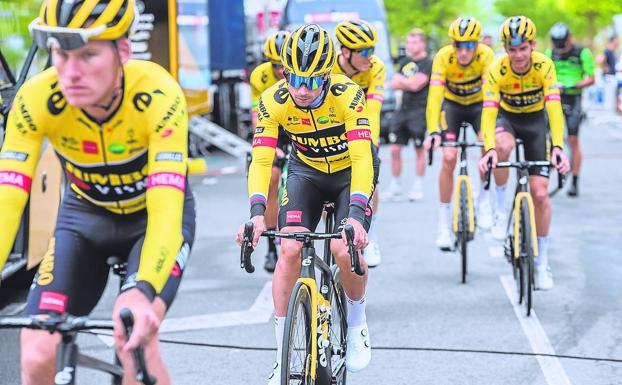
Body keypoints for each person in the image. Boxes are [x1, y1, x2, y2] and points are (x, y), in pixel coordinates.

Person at [0, 1, 196, 384]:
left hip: (150, 221)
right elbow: (8, 198)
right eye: (60, 53)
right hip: (83, 218)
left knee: (136, 341)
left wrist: (143, 291)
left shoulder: (158, 93)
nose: (70, 72)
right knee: (39, 348)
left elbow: (166, 208)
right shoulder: (37, 98)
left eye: (88, 54)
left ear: (123, 51)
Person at [236, 24, 376, 384]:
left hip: (348, 174)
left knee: (342, 249)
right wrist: (255, 214)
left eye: (312, 81)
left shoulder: (349, 95)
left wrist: (358, 216)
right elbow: (262, 160)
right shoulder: (273, 100)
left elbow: (363, 160)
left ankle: (358, 323)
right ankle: (282, 352)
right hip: (307, 173)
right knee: (288, 249)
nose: (301, 89)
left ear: (327, 75)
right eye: (294, 77)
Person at [479, 16, 570, 290]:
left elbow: (554, 108)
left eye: (523, 48)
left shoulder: (545, 66)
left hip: (534, 124)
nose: (517, 55)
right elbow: (489, 111)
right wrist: (491, 149)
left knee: (540, 194)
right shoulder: (497, 69)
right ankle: (499, 207)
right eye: (511, 49)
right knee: (503, 147)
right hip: (506, 120)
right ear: (506, 48)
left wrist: (557, 147)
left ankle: (542, 264)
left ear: (532, 45)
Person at [424, 17, 495, 250]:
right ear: (452, 44)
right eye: (458, 46)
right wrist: (433, 129)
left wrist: (488, 134)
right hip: (452, 107)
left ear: (477, 44)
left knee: (487, 142)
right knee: (448, 157)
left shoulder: (486, 56)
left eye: (469, 46)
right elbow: (434, 97)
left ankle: (483, 201)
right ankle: (443, 226)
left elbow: (490, 97)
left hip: (478, 106)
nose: (464, 52)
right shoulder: (443, 57)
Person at [332, 19, 385, 266]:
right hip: (332, 128)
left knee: (370, 179)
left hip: (361, 126)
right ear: (345, 52)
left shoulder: (376, 69)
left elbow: (373, 109)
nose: (370, 57)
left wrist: (370, 141)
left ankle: (370, 238)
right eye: (364, 52)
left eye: (372, 50)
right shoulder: (329, 68)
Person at [249, 31, 290, 272]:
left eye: (283, 65)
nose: (279, 71)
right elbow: (257, 116)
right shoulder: (259, 76)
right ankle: (273, 247)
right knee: (271, 179)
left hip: (299, 125)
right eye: (275, 65)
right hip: (273, 127)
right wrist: (267, 144)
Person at [546, 22, 595, 197]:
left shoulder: (582, 53)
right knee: (547, 136)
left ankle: (574, 180)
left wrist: (571, 85)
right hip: (554, 97)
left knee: (573, 140)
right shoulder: (550, 54)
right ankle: (547, 168)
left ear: (569, 39)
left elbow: (591, 78)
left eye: (563, 44)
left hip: (573, 97)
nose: (560, 49)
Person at [383, 28, 432, 201]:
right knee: (395, 149)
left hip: (419, 111)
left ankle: (418, 186)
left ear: (422, 43)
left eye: (414, 42)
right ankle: (395, 185)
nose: (410, 45)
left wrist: (404, 83)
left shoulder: (428, 62)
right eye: (409, 42)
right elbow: (393, 83)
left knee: (419, 149)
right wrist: (406, 82)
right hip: (401, 110)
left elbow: (416, 85)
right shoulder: (404, 61)